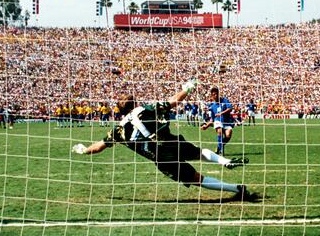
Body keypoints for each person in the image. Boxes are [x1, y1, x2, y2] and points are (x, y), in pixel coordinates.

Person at [72, 80, 257, 201]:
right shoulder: (145, 109)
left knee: (196, 179)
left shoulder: (119, 130)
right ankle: (224, 161)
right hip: (170, 141)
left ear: (119, 112)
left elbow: (99, 147)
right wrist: (187, 88)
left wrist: (84, 150)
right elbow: (173, 101)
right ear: (134, 103)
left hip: (161, 157)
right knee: (199, 153)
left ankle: (236, 189)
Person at [201, 87, 234, 155]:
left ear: (219, 94)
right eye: (214, 94)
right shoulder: (212, 106)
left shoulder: (225, 101)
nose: (215, 96)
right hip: (218, 121)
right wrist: (206, 126)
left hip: (226, 121)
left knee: (228, 135)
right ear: (212, 96)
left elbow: (230, 108)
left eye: (216, 94)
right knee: (220, 130)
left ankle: (219, 146)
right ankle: (220, 149)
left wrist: (221, 113)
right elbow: (213, 119)